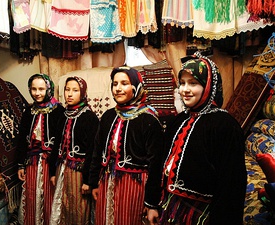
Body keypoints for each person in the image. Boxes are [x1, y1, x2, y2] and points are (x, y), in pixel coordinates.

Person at [155, 52, 247, 225]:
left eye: (193, 83)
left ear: (209, 86)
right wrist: (153, 202)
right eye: (182, 83)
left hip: (202, 214)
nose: (185, 89)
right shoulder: (179, 120)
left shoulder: (225, 126)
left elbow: (232, 184)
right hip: (171, 207)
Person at [88, 66, 164, 225]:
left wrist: (151, 203)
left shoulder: (149, 120)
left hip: (134, 186)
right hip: (107, 181)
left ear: (136, 87)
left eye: (124, 83)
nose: (118, 88)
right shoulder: (108, 116)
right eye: (115, 84)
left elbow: (156, 165)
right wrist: (94, 182)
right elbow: (97, 150)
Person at [17, 73, 65, 225]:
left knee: (49, 195)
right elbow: (21, 140)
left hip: (50, 163)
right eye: (33, 89)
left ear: (48, 89)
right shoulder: (28, 111)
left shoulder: (58, 111)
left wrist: (55, 167)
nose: (37, 93)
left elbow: (61, 141)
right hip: (31, 162)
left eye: (41, 89)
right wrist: (20, 164)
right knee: (32, 195)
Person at [50, 76, 99, 225]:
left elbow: (93, 151)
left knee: (78, 208)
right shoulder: (62, 115)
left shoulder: (90, 118)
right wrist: (53, 172)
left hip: (79, 173)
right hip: (62, 170)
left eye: (75, 90)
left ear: (82, 93)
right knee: (63, 205)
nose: (69, 94)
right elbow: (56, 144)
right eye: (67, 89)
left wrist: (88, 181)